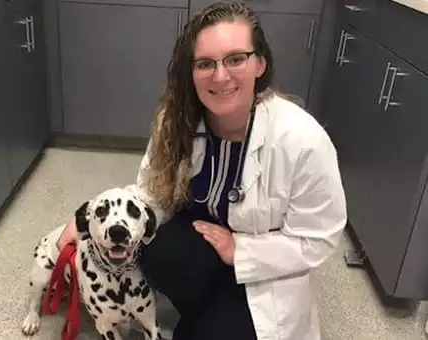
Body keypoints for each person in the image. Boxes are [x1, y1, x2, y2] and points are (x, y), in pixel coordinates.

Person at [57, 2, 347, 339]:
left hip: (264, 269)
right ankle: (203, 312)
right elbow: (150, 194)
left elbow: (317, 238)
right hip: (200, 250)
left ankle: (215, 318)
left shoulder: (303, 140)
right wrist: (81, 222)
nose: (220, 75)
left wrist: (241, 250)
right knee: (156, 248)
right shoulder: (176, 120)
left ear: (260, 64)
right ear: (191, 72)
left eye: (236, 59)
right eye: (205, 63)